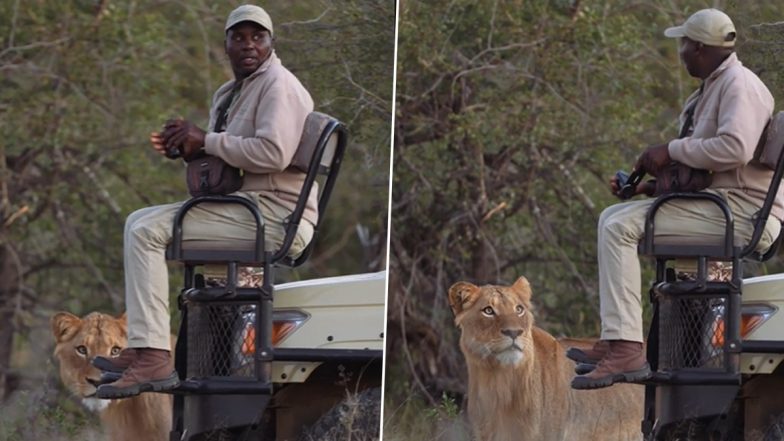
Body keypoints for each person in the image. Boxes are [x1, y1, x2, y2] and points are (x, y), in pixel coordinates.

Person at [94, 4, 316, 398]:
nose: (249, 45)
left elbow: (272, 154)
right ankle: (146, 347)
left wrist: (207, 140)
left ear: (271, 43)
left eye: (257, 37)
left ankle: (155, 359)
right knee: (136, 220)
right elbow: (226, 162)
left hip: (274, 216)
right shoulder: (231, 92)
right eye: (239, 37)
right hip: (247, 208)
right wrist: (188, 146)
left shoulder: (278, 85)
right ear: (226, 45)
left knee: (146, 231)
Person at [569, 8, 781, 390]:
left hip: (742, 212)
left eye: (684, 43)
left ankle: (627, 349)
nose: (680, 52)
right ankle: (618, 339)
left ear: (698, 47)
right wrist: (648, 187)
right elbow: (706, 169)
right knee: (613, 215)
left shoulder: (739, 85)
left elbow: (734, 148)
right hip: (721, 204)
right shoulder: (714, 87)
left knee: (619, 227)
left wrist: (671, 149)